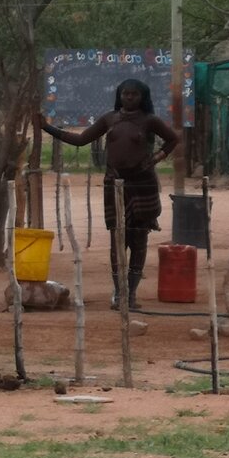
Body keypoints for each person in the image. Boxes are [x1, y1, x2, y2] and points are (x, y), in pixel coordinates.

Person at [35, 78, 179, 310]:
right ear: (119, 96)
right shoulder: (109, 119)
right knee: (117, 240)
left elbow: (173, 139)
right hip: (115, 184)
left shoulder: (149, 120)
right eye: (125, 94)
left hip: (143, 185)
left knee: (139, 240)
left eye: (134, 95)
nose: (129, 98)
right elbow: (81, 140)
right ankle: (119, 293)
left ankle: (131, 294)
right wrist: (47, 128)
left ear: (142, 97)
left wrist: (156, 158)